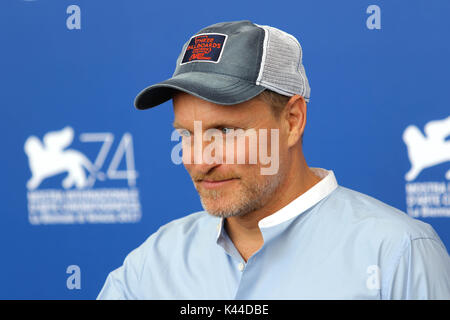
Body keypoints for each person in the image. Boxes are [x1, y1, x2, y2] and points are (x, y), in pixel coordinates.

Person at [97, 20, 450, 299]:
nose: (200, 161)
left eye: (225, 132)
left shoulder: (398, 253)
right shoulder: (154, 262)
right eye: (187, 135)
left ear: (292, 120)